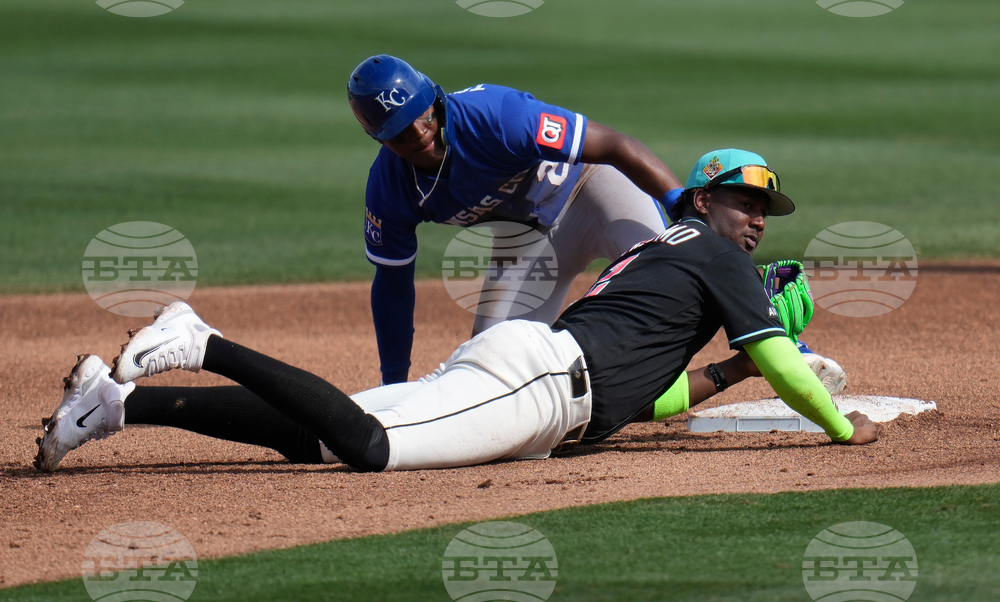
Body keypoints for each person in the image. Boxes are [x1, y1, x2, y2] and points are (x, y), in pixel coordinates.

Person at [34, 149, 877, 474]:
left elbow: (648, 393)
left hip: (538, 371)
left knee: (318, 431)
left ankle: (118, 404)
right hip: (540, 384)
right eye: (741, 201)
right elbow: (785, 366)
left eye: (765, 208)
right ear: (701, 199)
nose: (756, 219)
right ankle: (200, 338)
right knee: (369, 449)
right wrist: (839, 427)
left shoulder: (668, 258)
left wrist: (727, 367)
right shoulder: (712, 253)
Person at [349, 54, 685, 385]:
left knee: (673, 277)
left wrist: (679, 204)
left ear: (435, 101)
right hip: (525, 238)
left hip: (592, 189)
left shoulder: (496, 115)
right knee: (490, 371)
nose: (421, 133)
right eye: (402, 133)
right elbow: (393, 288)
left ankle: (726, 348)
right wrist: (393, 384)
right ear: (379, 138)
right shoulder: (389, 188)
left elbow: (614, 144)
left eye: (425, 117)